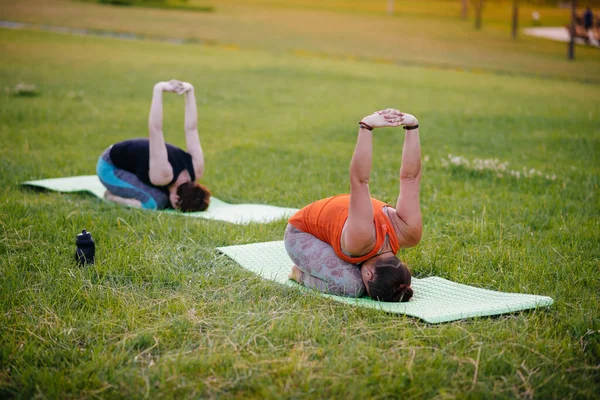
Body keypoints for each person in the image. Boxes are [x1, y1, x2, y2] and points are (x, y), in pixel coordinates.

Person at [284, 109, 422, 302]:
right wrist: (366, 126)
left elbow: (411, 179)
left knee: (351, 282)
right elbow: (359, 181)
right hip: (300, 233)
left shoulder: (410, 234)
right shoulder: (362, 239)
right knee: (352, 287)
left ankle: (302, 272)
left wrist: (412, 125)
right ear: (369, 275)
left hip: (339, 229)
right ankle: (297, 274)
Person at [96, 80, 210, 212]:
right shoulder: (163, 174)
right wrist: (158, 89)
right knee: (155, 202)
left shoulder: (197, 170)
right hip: (110, 167)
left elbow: (192, 129)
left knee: (161, 198)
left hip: (127, 155)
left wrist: (190, 91)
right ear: (176, 201)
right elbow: (155, 129)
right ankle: (111, 197)